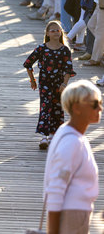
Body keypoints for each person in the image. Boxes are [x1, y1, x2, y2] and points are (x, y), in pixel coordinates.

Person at [44, 80, 101, 233]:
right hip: (72, 215)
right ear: (77, 108)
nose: (100, 108)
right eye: (95, 104)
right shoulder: (72, 141)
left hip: (76, 213)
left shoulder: (69, 133)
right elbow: (56, 187)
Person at [24, 21, 75, 149]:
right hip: (45, 83)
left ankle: (54, 135)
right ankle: (44, 136)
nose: (56, 32)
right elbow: (28, 63)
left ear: (61, 32)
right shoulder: (41, 48)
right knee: (46, 107)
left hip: (59, 84)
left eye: (58, 30)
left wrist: (64, 83)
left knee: (58, 108)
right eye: (52, 30)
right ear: (47, 33)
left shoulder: (65, 50)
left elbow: (68, 69)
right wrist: (32, 80)